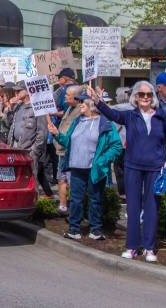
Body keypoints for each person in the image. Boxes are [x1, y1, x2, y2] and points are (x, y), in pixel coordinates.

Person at [90, 82, 166, 263]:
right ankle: (132, 246)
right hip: (133, 167)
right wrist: (98, 101)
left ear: (153, 97)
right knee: (133, 208)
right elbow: (113, 114)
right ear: (135, 97)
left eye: (149, 95)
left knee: (152, 207)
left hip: (155, 168)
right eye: (142, 94)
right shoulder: (130, 115)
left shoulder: (161, 117)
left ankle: (150, 247)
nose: (145, 98)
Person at [49, 91, 122, 240]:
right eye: (80, 101)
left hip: (94, 169)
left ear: (92, 105)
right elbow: (67, 142)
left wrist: (103, 160)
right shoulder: (77, 121)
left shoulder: (104, 123)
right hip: (76, 168)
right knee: (75, 200)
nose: (80, 104)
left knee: (95, 199)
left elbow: (116, 146)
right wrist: (57, 134)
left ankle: (95, 230)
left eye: (83, 101)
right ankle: (74, 229)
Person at [6, 81, 50, 196]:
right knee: (16, 178)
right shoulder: (18, 106)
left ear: (27, 91)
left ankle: (34, 205)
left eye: (19, 90)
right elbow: (9, 124)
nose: (15, 93)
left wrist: (35, 151)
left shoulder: (37, 107)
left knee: (31, 179)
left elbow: (42, 132)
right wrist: (10, 108)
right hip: (15, 147)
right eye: (15, 90)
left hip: (29, 150)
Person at [54, 85, 84, 215]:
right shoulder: (69, 108)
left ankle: (75, 209)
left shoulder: (81, 111)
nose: (65, 97)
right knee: (61, 178)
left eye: (67, 95)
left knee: (72, 181)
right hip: (62, 150)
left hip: (71, 152)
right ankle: (63, 206)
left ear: (76, 97)